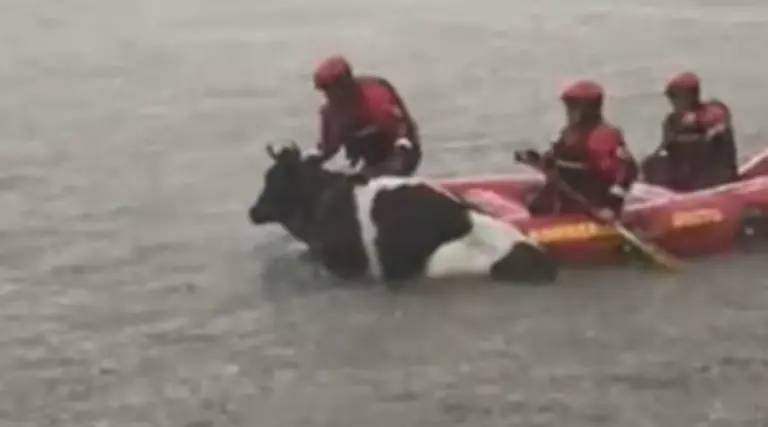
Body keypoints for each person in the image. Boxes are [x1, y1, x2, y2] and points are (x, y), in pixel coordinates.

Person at [515, 80, 639, 221]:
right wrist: (536, 160)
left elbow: (628, 170)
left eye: (573, 107)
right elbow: (555, 162)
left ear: (590, 109)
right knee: (536, 204)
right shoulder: (569, 134)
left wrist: (612, 205)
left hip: (592, 201)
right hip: (565, 195)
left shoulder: (605, 137)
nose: (568, 112)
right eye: (568, 106)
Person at [305, 55, 421, 180]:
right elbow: (326, 149)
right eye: (325, 90)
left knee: (388, 169)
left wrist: (400, 153)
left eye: (332, 89)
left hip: (398, 150)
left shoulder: (376, 97)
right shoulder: (330, 114)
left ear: (346, 83)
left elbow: (401, 129)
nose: (329, 95)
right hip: (366, 158)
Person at [647, 72, 737, 191]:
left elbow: (718, 134)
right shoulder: (672, 121)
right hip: (687, 179)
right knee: (652, 163)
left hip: (715, 178)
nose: (671, 102)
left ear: (690, 96)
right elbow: (663, 148)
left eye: (674, 96)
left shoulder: (714, 112)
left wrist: (696, 125)